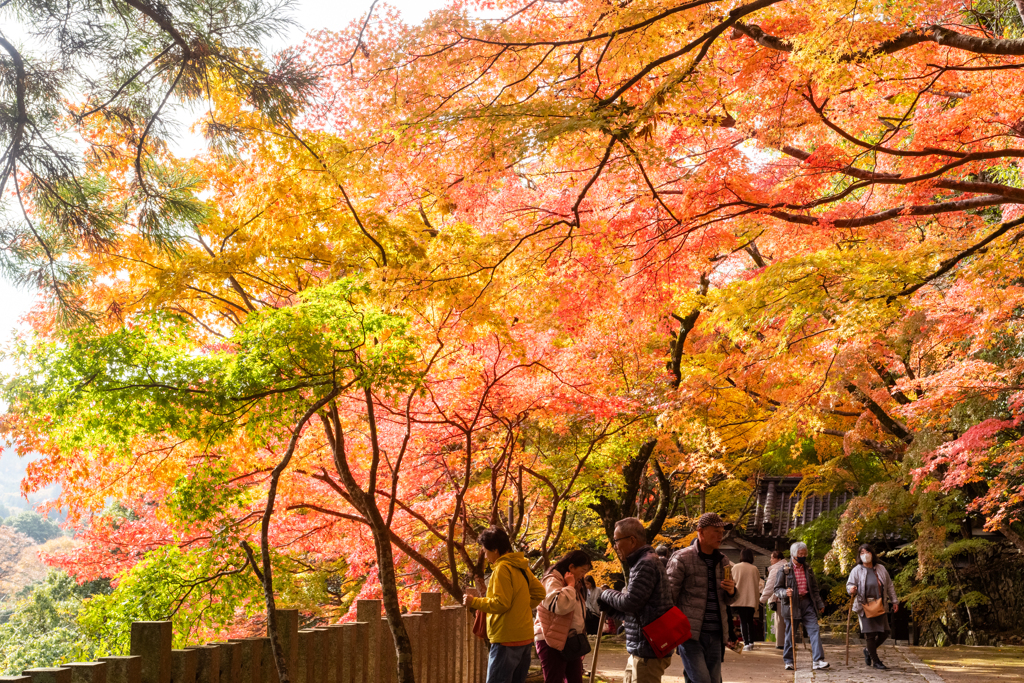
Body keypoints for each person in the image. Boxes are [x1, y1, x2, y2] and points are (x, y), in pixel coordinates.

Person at [464, 526, 547, 683]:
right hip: (525, 637)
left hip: (506, 638)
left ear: (495, 549)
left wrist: (474, 602)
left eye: (486, 551)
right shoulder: (520, 565)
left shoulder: (502, 568)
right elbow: (540, 593)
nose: (485, 555)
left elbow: (501, 604)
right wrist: (519, 607)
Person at [597, 517, 674, 683]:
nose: (615, 546)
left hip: (649, 648)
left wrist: (605, 594)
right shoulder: (642, 562)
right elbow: (639, 611)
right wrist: (612, 609)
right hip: (642, 647)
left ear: (632, 540)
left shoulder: (645, 563)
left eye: (616, 541)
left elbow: (630, 601)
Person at [665, 512, 738, 683]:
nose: (720, 536)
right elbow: (669, 597)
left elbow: (728, 600)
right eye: (716, 531)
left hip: (717, 633)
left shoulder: (723, 560)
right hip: (689, 634)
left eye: (722, 532)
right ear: (701, 531)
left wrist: (732, 591)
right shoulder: (682, 558)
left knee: (712, 680)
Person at [535, 549, 593, 683]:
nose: (583, 575)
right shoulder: (552, 580)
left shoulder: (574, 585)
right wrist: (571, 585)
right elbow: (560, 606)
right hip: (551, 640)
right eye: (582, 570)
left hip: (570, 640)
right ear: (571, 567)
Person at [773, 542, 829, 671]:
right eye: (800, 554)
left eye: (804, 554)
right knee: (790, 634)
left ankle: (818, 660)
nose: (803, 556)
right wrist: (785, 593)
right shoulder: (785, 570)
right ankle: (788, 661)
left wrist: (820, 603)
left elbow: (814, 589)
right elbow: (777, 589)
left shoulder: (808, 569)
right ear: (793, 555)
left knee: (814, 630)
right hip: (792, 604)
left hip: (807, 603)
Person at [846, 543, 899, 670]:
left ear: (872, 554)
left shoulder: (881, 568)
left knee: (885, 632)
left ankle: (867, 650)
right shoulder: (857, 570)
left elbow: (889, 586)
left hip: (880, 604)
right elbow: (849, 585)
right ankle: (876, 661)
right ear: (859, 556)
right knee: (870, 634)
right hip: (864, 605)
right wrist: (851, 589)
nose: (865, 555)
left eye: (867, 552)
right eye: (862, 553)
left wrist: (895, 601)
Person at [731, 548, 761, 651]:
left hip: (740, 598)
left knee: (743, 621)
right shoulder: (754, 569)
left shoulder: (735, 567)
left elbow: (732, 582)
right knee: (750, 621)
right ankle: (751, 642)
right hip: (751, 599)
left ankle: (746, 643)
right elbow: (757, 584)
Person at [759, 551, 784, 649]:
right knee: (788, 623)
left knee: (779, 622)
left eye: (772, 558)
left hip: (779, 599)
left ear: (778, 559)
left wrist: (762, 599)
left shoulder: (776, 569)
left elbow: (770, 586)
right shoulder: (788, 566)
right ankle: (789, 642)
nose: (770, 560)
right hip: (789, 598)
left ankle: (780, 644)